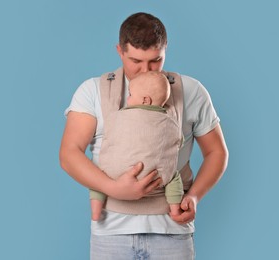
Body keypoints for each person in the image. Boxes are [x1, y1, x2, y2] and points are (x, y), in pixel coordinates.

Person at [59, 12, 228, 260]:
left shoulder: (191, 91)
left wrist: (193, 197)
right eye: (136, 61)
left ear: (165, 50)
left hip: (172, 231)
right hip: (111, 233)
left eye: (155, 61)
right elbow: (69, 154)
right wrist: (115, 189)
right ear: (120, 51)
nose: (145, 70)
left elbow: (217, 152)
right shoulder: (93, 90)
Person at [90, 71, 184, 221]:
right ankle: (175, 210)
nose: (128, 99)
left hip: (114, 173)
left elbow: (109, 134)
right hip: (156, 177)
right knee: (173, 177)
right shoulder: (172, 122)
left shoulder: (117, 116)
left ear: (145, 100)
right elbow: (179, 142)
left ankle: (96, 211)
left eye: (130, 95)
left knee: (97, 176)